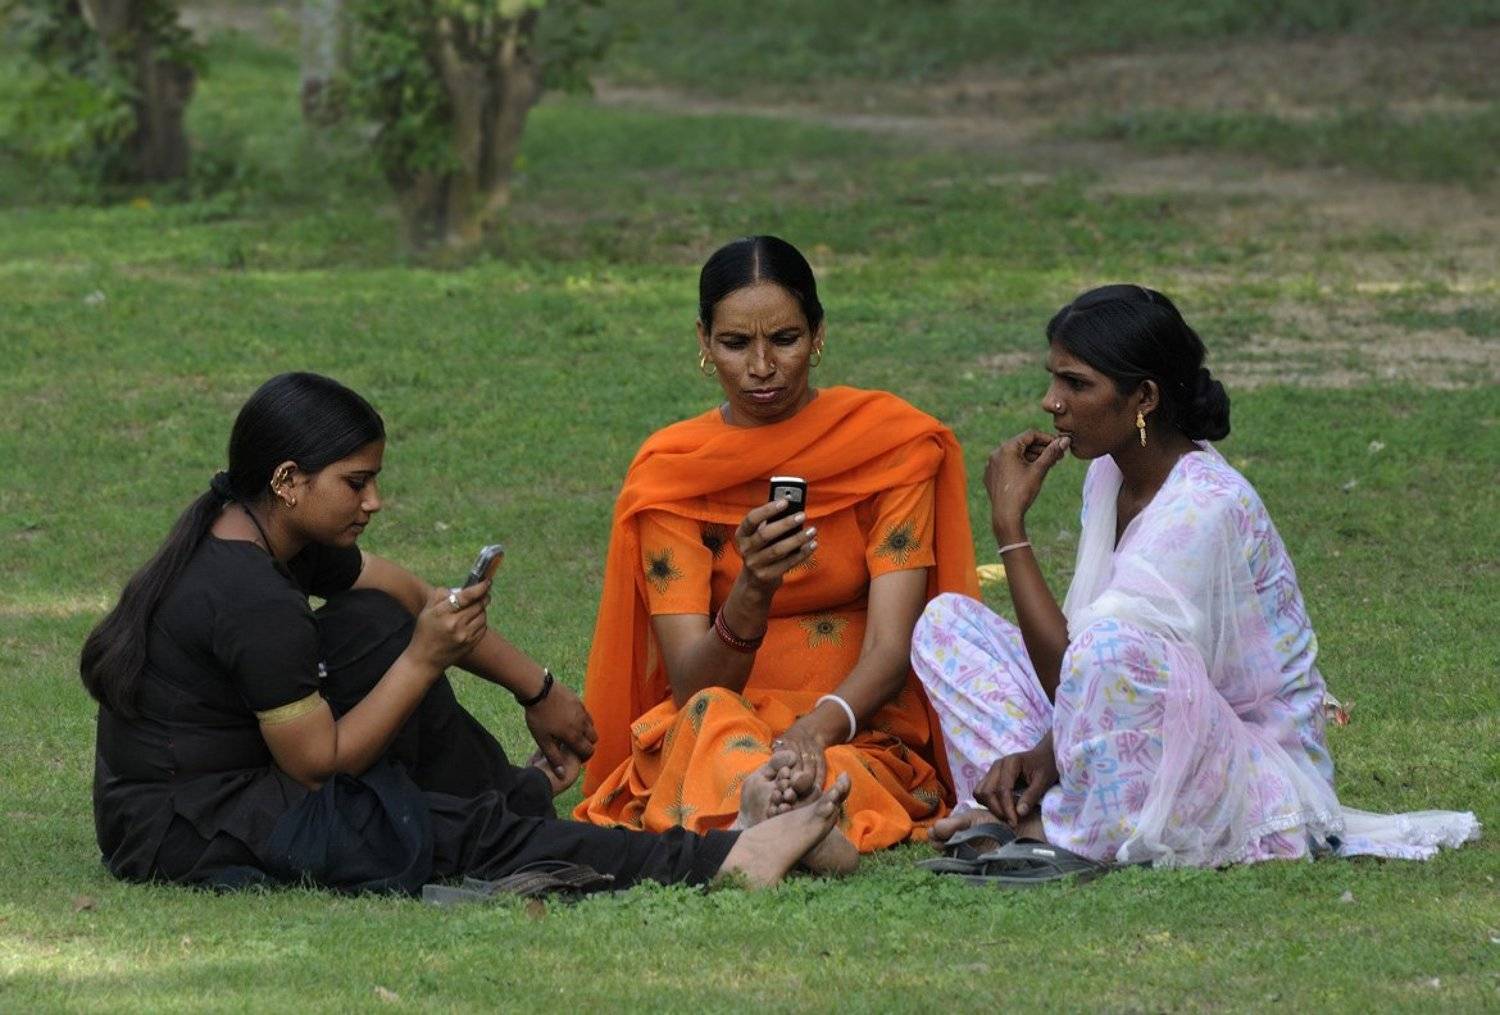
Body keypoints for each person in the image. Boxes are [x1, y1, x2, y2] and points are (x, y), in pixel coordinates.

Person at [83, 372, 852, 894]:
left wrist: (537, 688)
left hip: (240, 780)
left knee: (375, 623)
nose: (375, 500)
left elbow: (416, 597)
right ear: (287, 480)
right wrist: (424, 658)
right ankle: (724, 857)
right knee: (447, 829)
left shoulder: (263, 531)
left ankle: (521, 802)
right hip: (186, 828)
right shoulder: (250, 596)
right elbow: (320, 764)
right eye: (356, 481)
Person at [911, 285, 1478, 869]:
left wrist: (1011, 528)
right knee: (947, 624)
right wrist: (1042, 751)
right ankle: (1035, 805)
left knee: (1108, 648)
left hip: (1246, 763)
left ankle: (1045, 824)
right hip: (1140, 712)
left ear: (1144, 398)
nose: (1051, 402)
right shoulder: (1109, 474)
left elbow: (1089, 668)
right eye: (1054, 379)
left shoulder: (1203, 505)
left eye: (1076, 384)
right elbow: (1087, 682)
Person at [573, 236, 979, 854]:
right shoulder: (674, 473)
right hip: (723, 722)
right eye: (735, 344)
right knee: (713, 727)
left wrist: (814, 730)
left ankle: (769, 815)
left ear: (817, 335)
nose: (761, 367)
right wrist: (752, 590)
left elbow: (892, 649)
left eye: (784, 340)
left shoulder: (890, 448)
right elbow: (691, 688)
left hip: (854, 722)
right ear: (704, 342)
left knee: (849, 771)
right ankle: (799, 819)